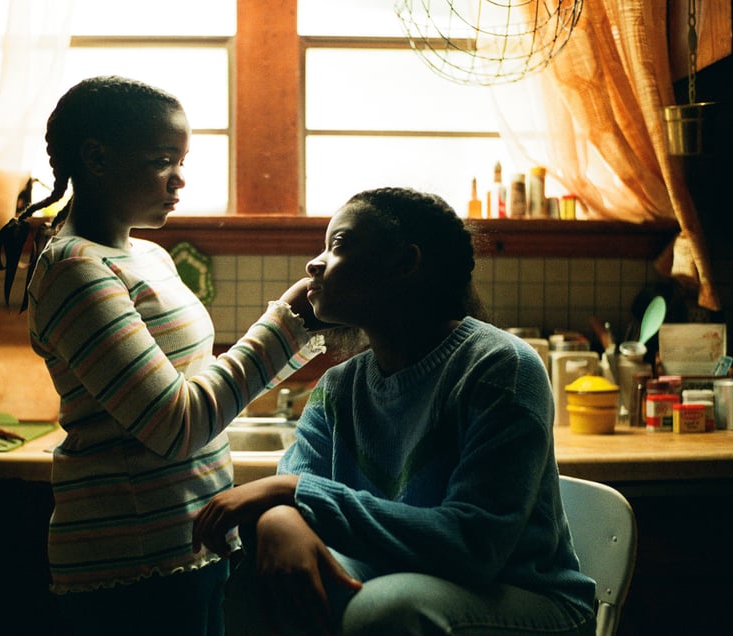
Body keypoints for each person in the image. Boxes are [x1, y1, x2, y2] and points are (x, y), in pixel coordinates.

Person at [0, 75, 326, 635]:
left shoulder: (148, 255)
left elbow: (197, 383)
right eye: (164, 159)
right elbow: (175, 423)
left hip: (189, 543)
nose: (180, 178)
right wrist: (288, 324)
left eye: (182, 159)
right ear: (96, 158)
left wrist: (295, 329)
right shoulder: (75, 271)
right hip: (133, 562)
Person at [192, 187, 597, 635]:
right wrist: (281, 516)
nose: (314, 263)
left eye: (339, 245)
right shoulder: (339, 387)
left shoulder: (499, 366)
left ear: (406, 263)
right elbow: (298, 496)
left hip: (528, 598)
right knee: (255, 581)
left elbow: (474, 547)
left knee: (385, 609)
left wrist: (294, 493)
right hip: (395, 581)